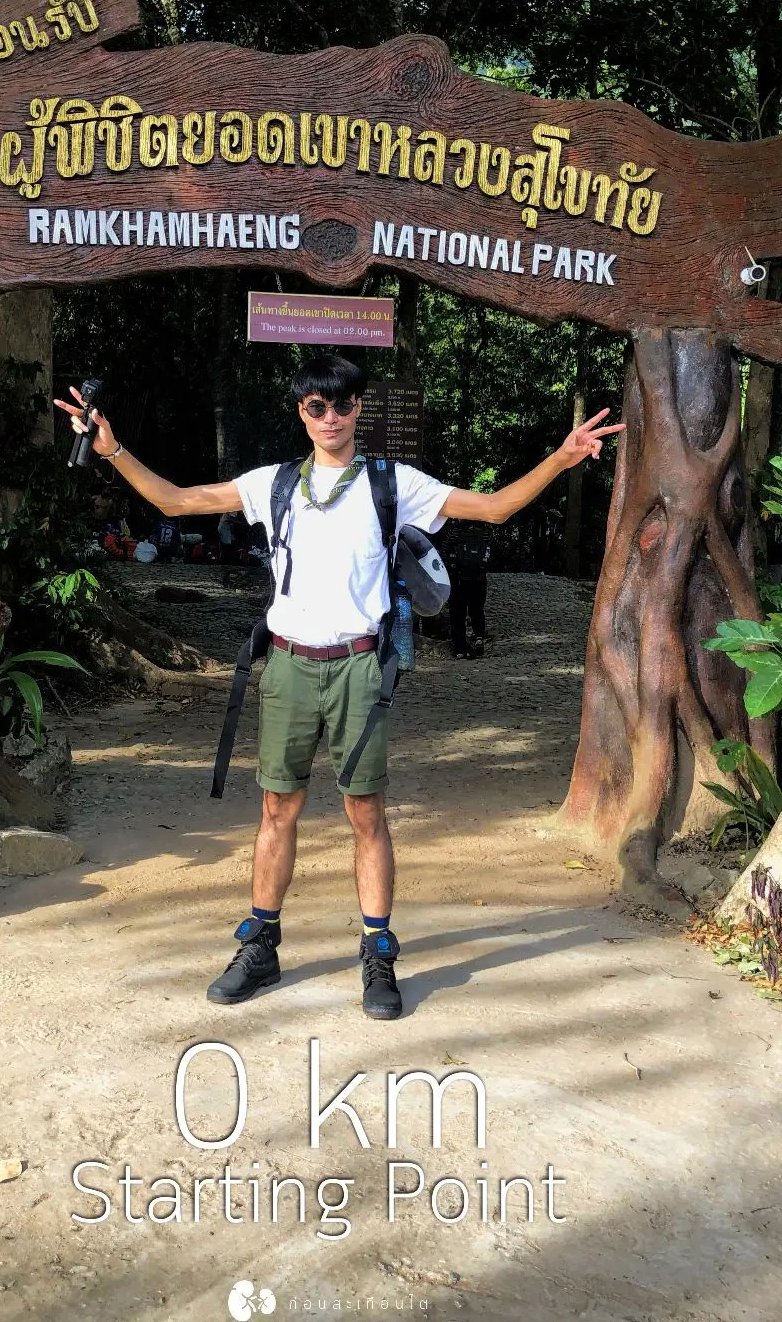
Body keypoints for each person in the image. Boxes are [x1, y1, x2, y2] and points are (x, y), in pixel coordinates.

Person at [56, 353, 621, 1020]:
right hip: (288, 665)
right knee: (277, 809)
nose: (331, 417)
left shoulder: (391, 483)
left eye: (343, 405)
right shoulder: (274, 484)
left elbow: (494, 509)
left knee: (366, 813)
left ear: (359, 409)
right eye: (317, 406)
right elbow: (177, 501)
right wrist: (113, 449)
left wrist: (563, 456)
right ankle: (260, 944)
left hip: (358, 667)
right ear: (302, 412)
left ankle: (377, 951)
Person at [444, 520, 492, 658]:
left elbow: (444, 552)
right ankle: (478, 636)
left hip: (458, 579)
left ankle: (460, 649)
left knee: (457, 614)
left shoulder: (453, 533)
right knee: (477, 609)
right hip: (478, 578)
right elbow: (492, 552)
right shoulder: (484, 533)